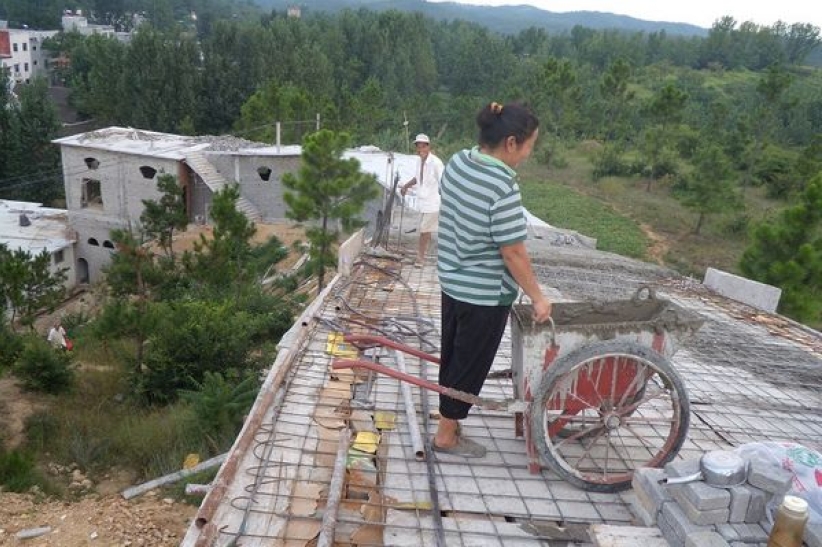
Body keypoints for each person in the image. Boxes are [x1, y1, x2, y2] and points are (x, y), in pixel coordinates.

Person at [434, 101, 552, 458]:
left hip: (452, 282)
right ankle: (445, 435)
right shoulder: (502, 187)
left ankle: (450, 424)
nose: (529, 154)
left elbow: (455, 210)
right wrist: (538, 297)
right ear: (511, 143)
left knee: (453, 356)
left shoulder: (457, 162)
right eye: (530, 145)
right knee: (469, 366)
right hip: (484, 295)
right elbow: (513, 252)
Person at [400, 133, 444, 266]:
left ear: (428, 147)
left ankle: (420, 258)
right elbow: (417, 178)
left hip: (434, 202)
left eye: (422, 147)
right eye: (418, 147)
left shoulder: (436, 163)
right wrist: (406, 186)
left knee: (424, 229)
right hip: (423, 202)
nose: (420, 150)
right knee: (427, 229)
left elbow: (443, 181)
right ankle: (424, 255)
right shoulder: (419, 161)